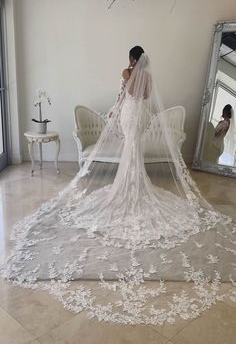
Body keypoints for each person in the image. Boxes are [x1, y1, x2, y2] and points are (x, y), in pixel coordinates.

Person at [1, 47, 236, 326]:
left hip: (128, 114)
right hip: (139, 116)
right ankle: (135, 184)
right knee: (133, 150)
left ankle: (129, 184)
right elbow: (145, 98)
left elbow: (122, 95)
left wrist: (114, 110)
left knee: (129, 149)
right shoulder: (147, 78)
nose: (130, 62)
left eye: (130, 58)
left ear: (132, 58)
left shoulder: (126, 72)